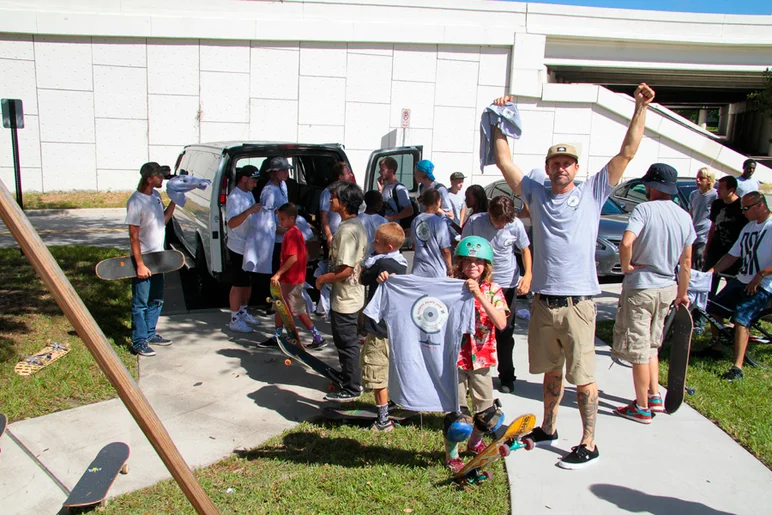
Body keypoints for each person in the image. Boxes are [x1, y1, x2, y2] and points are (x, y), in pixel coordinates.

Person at [491, 82, 655, 470]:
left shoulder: (594, 191)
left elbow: (627, 151)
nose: (561, 167)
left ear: (576, 169)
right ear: (547, 168)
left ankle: (589, 442)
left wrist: (640, 108)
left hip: (579, 304)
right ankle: (549, 428)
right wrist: (499, 117)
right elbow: (503, 159)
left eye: (567, 163)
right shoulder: (535, 193)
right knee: (551, 373)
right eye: (555, 163)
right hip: (544, 303)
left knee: (583, 379)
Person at [612, 163, 695, 424]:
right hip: (668, 287)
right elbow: (687, 261)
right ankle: (655, 395)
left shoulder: (643, 209)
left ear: (650, 186)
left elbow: (626, 242)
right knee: (651, 345)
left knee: (637, 348)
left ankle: (641, 406)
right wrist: (682, 293)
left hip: (641, 287)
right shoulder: (684, 216)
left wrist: (626, 266)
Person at [443, 236, 508, 473]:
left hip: (481, 358)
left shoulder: (493, 290)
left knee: (487, 414)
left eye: (479, 261)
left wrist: (479, 294)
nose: (473, 266)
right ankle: (451, 454)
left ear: (486, 265)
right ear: (459, 263)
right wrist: (390, 278)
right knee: (458, 417)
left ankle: (475, 444)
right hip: (456, 358)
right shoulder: (450, 287)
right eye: (468, 261)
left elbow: (500, 323)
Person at [462, 196, 532, 393]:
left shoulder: (515, 225)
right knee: (473, 329)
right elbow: (464, 245)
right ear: (489, 213)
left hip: (506, 283)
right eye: (498, 220)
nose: (501, 225)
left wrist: (528, 275)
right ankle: (469, 374)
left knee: (505, 332)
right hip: (480, 281)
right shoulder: (476, 221)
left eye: (505, 221)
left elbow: (525, 250)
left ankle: (507, 376)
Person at [702, 192, 772, 381]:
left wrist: (761, 274)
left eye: (746, 208)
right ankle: (716, 346)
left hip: (764, 283)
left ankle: (737, 367)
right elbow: (733, 255)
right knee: (713, 308)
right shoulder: (748, 227)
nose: (743, 212)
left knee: (741, 318)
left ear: (760, 205)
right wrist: (712, 271)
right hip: (742, 279)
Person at [316, 181, 368, 401]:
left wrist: (322, 279)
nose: (330, 200)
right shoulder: (357, 224)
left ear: (344, 203)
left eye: (334, 196)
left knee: (346, 344)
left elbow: (346, 270)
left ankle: (352, 388)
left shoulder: (346, 231)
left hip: (346, 299)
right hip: (355, 296)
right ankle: (352, 378)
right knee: (350, 342)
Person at [359, 223, 409, 431]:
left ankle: (383, 420)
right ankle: (392, 405)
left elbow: (363, 279)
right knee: (391, 371)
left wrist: (368, 265)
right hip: (394, 328)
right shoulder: (401, 263)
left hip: (378, 328)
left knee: (377, 372)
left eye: (377, 242)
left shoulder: (382, 263)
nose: (373, 243)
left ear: (388, 246)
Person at [259, 203, 327, 350]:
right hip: (293, 278)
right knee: (279, 305)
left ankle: (317, 337)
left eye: (282, 219)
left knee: (298, 309)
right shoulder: (296, 233)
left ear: (291, 218)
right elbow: (305, 254)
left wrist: (278, 274)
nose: (280, 222)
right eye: (279, 218)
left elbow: (293, 257)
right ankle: (278, 335)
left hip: (291, 280)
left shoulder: (290, 234)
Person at [125, 162, 176, 357]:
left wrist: (174, 201)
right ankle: (139, 341)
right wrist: (139, 264)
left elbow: (162, 221)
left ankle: (150, 333)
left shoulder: (155, 196)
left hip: (158, 256)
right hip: (144, 258)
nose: (162, 179)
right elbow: (133, 236)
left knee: (156, 298)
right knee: (140, 303)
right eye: (159, 177)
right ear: (149, 179)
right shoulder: (135, 202)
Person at [225, 167, 263, 333]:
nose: (255, 184)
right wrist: (249, 211)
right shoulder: (235, 197)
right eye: (253, 180)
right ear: (244, 178)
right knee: (238, 284)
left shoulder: (248, 193)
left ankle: (243, 312)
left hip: (249, 245)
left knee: (247, 283)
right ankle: (234, 319)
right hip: (237, 246)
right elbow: (231, 223)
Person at [317, 162, 356, 316]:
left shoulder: (347, 192)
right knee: (331, 269)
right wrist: (328, 235)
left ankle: (333, 303)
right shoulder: (328, 193)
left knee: (344, 268)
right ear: (340, 177)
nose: (350, 175)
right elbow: (324, 217)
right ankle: (324, 306)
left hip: (346, 235)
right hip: (334, 236)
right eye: (347, 172)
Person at [702, 176, 747, 296]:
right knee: (708, 283)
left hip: (733, 253)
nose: (717, 190)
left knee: (732, 287)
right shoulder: (717, 204)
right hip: (715, 249)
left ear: (731, 190)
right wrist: (707, 248)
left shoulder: (742, 207)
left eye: (721, 188)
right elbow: (712, 228)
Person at [411, 188, 452, 278]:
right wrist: (450, 267)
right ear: (438, 201)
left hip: (418, 269)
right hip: (436, 269)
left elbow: (414, 246)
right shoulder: (439, 222)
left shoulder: (415, 220)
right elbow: (445, 250)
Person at [689, 167, 718, 271]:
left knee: (699, 263)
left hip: (705, 236)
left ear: (709, 180)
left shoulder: (715, 195)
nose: (698, 180)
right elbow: (691, 213)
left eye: (702, 178)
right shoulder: (693, 194)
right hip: (693, 234)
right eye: (697, 177)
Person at [379, 157, 414, 226]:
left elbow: (409, 210)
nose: (380, 172)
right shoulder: (385, 186)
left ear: (391, 171)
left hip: (394, 227)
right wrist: (380, 190)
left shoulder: (399, 189)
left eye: (382, 170)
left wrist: (391, 218)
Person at [358, 190, 389, 256]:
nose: (382, 204)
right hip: (376, 258)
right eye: (381, 201)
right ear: (378, 204)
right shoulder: (383, 221)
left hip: (360, 257)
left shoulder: (357, 219)